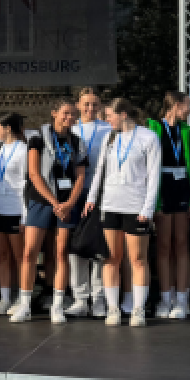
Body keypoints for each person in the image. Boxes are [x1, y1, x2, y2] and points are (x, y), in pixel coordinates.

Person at [84, 98, 163, 326]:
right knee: (110, 258)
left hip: (136, 206)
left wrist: (147, 207)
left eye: (109, 115)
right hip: (110, 204)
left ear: (123, 114)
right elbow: (99, 170)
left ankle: (138, 309)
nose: (106, 119)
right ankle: (113, 309)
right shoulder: (109, 137)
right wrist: (91, 199)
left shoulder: (148, 137)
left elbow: (153, 176)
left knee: (138, 259)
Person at [12, 99, 86, 324]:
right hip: (42, 200)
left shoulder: (77, 141)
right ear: (54, 113)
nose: (70, 118)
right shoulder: (37, 138)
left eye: (74, 115)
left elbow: (81, 175)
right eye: (66, 113)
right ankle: (24, 304)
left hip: (66, 204)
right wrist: (54, 202)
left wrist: (71, 203)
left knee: (61, 253)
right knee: (30, 252)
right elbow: (34, 173)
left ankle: (57, 305)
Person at [149, 91, 190, 320]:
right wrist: (154, 200)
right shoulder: (154, 128)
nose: (189, 110)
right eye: (187, 105)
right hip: (163, 189)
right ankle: (165, 297)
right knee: (163, 246)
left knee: (181, 244)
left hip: (182, 189)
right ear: (176, 105)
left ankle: (181, 299)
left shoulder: (186, 132)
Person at [70, 88, 114, 317]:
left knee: (97, 246)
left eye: (95, 104)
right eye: (86, 104)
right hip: (74, 194)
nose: (90, 109)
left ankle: (99, 298)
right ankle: (80, 298)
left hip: (100, 194)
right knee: (76, 247)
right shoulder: (72, 130)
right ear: (78, 105)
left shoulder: (108, 130)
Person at [0, 112, 29, 315]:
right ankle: (5, 298)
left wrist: (24, 216)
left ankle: (22, 297)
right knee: (2, 256)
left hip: (15, 211)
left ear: (8, 128)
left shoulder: (23, 151)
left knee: (19, 257)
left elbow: (25, 185)